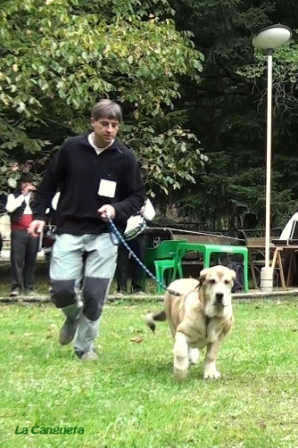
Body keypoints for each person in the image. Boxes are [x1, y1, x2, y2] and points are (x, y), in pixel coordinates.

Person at [28, 99, 145, 361]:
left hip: (105, 235)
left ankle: (84, 347)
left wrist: (116, 209)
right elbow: (48, 184)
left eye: (115, 125)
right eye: (104, 124)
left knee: (95, 294)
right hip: (69, 229)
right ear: (92, 122)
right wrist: (39, 216)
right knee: (61, 290)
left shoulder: (125, 158)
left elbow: (137, 197)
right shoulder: (71, 148)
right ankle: (72, 316)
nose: (110, 130)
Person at [6, 172, 39, 297]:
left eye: (29, 183)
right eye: (25, 183)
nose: (27, 185)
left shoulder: (36, 196)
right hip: (18, 230)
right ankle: (16, 287)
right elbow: (10, 208)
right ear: (21, 184)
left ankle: (29, 287)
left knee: (31, 259)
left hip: (32, 230)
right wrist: (23, 196)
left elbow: (44, 209)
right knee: (17, 259)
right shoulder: (13, 196)